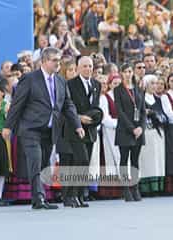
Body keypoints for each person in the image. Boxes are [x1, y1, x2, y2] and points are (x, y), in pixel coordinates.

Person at [2, 47, 85, 210]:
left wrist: (77, 124)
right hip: (30, 129)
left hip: (50, 130)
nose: (57, 63)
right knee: (35, 160)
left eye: (58, 60)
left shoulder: (61, 81)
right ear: (44, 61)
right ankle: (38, 198)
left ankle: (41, 197)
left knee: (44, 164)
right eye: (54, 60)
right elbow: (17, 104)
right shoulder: (30, 79)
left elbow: (67, 104)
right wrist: (8, 126)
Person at [62, 56, 102, 208]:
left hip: (90, 129)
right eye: (84, 66)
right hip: (74, 128)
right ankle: (71, 195)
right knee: (81, 160)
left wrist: (91, 118)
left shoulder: (96, 84)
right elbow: (66, 106)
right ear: (78, 68)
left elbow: (96, 107)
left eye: (90, 66)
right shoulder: (70, 84)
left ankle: (79, 195)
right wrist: (79, 118)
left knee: (85, 163)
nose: (88, 69)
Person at [114, 63, 146, 202]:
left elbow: (143, 111)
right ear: (121, 73)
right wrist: (132, 128)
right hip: (125, 130)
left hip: (138, 130)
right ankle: (125, 188)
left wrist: (141, 128)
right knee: (124, 159)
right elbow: (120, 112)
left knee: (135, 160)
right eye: (125, 71)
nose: (128, 74)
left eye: (130, 71)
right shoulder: (118, 90)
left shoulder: (139, 89)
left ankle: (135, 187)